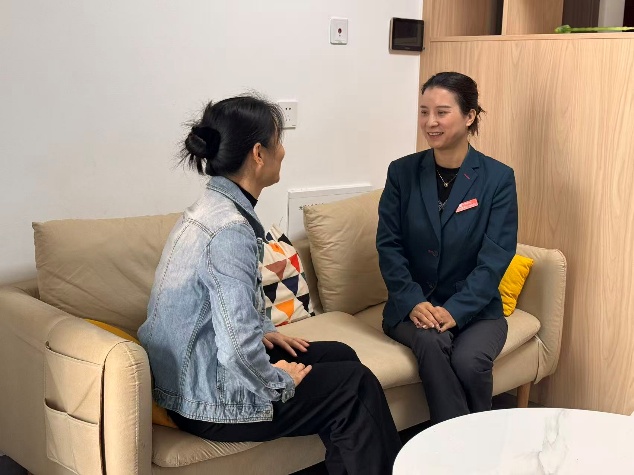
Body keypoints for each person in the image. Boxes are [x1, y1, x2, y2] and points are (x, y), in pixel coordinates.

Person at [138, 94, 401, 474]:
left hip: (187, 378)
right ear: (259, 154)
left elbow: (223, 306)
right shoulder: (229, 230)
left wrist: (264, 331)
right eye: (279, 141)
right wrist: (278, 380)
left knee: (339, 354)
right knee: (354, 385)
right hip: (205, 400)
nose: (283, 151)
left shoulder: (209, 209)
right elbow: (235, 349)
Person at [376, 72, 518, 425]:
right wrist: (412, 300)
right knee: (430, 340)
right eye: (424, 112)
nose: (430, 122)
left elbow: (495, 257)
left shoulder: (497, 178)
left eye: (441, 112)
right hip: (412, 305)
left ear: (470, 116)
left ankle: (468, 436)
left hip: (476, 307)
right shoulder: (402, 172)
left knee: (469, 362)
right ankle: (465, 443)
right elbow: (389, 245)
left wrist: (455, 309)